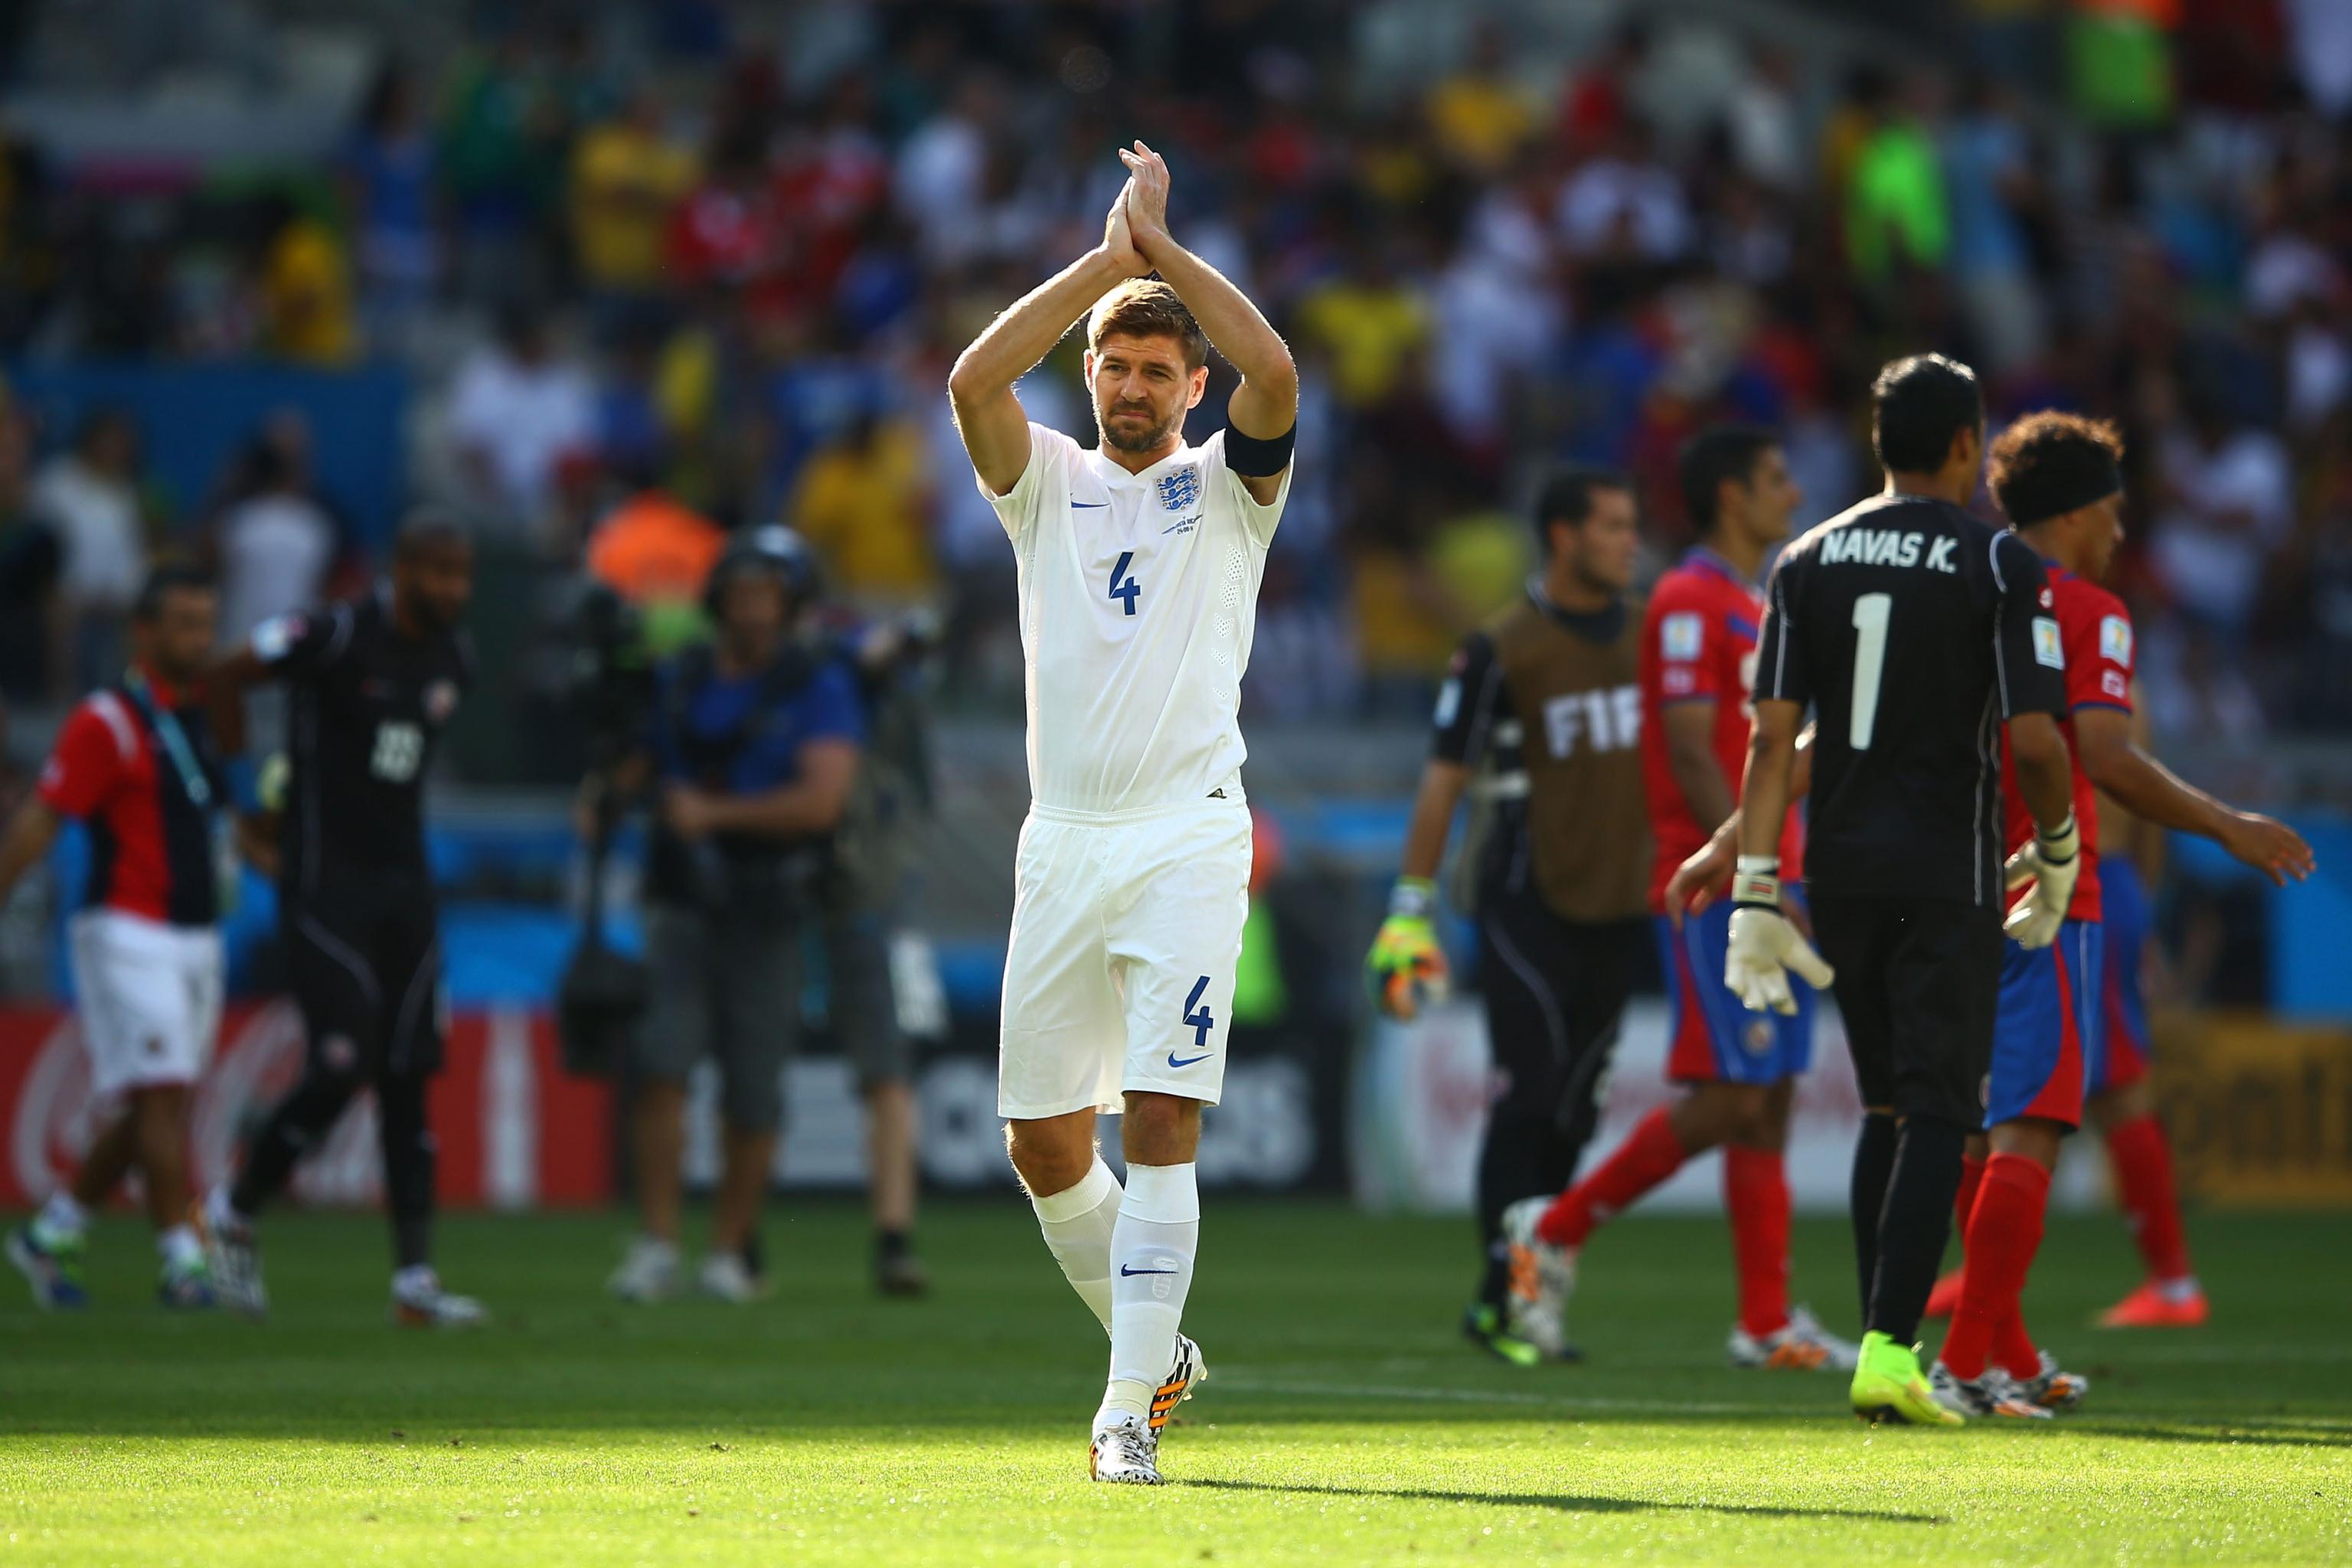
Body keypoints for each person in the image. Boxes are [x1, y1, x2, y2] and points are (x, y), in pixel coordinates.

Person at [1625, 354, 2084, 1426]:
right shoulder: (2004, 563)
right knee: (1940, 1110)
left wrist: (1747, 873)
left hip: (1838, 872)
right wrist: (2056, 845)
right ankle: (1888, 1350)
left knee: (1887, 1105)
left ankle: (1883, 1347)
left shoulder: (1805, 560)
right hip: (1950, 868)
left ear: (1879, 444)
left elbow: (1781, 741)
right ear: (1967, 446)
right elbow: (2036, 742)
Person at [947, 140, 1295, 1485]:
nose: (1138, 383)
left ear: (1188, 384)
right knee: (1040, 1144)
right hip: (1062, 838)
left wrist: (1167, 252)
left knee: (1160, 1117)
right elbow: (972, 377)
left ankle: (1121, 1413)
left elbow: (1278, 373)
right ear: (1089, 375)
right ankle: (1158, 1349)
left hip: (1187, 835)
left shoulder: (1231, 489)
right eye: (1117, 363)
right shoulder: (1041, 480)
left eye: (1160, 367)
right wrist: (1105, 263)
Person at [1926, 415, 2311, 1409]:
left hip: (1943, 886)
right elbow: (2098, 753)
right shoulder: (2087, 609)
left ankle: (2004, 1353)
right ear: (2079, 509)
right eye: (2114, 508)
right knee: (2035, 1127)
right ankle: (1964, 1364)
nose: (2123, 529)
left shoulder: (1957, 589)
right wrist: (2227, 824)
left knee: (1977, 1128)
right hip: (2052, 888)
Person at [1492, 429, 1855, 1374]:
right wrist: (1758, 871)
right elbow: (1695, 748)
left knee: (1765, 1097)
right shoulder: (1692, 601)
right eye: (1777, 477)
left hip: (1771, 871)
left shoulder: (1755, 600)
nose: (1793, 489)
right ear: (1732, 496)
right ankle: (1556, 1225)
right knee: (1736, 1094)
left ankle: (1765, 1320)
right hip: (1726, 881)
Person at [1364, 468, 1653, 1366]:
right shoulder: (1502, 648)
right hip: (1524, 895)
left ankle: (1523, 1280)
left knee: (1574, 1111)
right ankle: (1509, 1294)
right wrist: (1410, 906)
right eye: (1612, 525)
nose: (1628, 541)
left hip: (1620, 897)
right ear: (1564, 536)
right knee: (1530, 1091)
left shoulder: (1649, 637)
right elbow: (1443, 777)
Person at [192, 513, 483, 1327]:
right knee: (341, 1059)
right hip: (324, 883)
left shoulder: (457, 656)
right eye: (438, 571)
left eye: (462, 574)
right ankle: (235, 1208)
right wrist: (246, 799)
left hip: (405, 886)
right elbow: (224, 673)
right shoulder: (331, 634)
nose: (453, 589)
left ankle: (414, 1282)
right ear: (401, 567)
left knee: (407, 1076)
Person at [599, 527, 864, 1305]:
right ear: (717, 601)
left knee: (755, 1086)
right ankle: (655, 1242)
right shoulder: (681, 678)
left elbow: (823, 800)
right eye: (741, 593)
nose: (752, 609)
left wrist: (711, 814)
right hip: (681, 896)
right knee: (662, 1067)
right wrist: (611, 788)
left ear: (791, 605)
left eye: (767, 595)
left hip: (770, 900)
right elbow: (636, 762)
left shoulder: (817, 683)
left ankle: (726, 1250)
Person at [2, 566, 227, 1310]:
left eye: (207, 622)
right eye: (184, 624)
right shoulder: (108, 719)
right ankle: (183, 1259)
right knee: (161, 1090)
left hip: (196, 936)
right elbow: (45, 814)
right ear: (144, 631)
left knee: (156, 1104)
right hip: (126, 928)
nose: (200, 638)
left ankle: (52, 1232)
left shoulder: (200, 715)